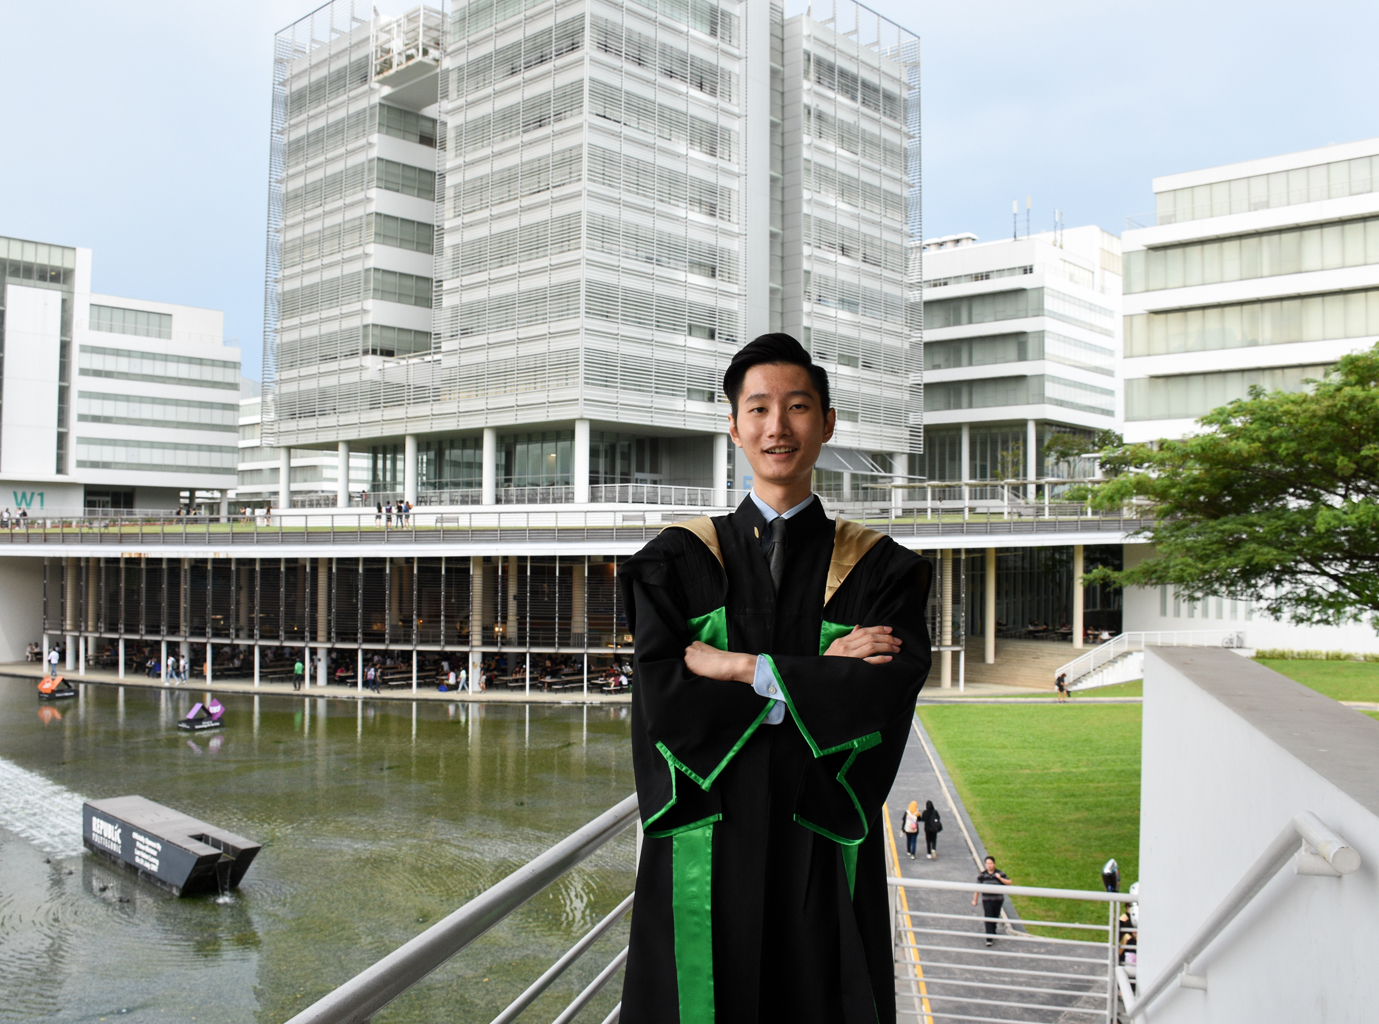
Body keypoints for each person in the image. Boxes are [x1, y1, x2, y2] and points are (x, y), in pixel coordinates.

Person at [619, 332, 934, 1024]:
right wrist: (814, 680)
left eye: (796, 407)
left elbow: (880, 696)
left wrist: (743, 669)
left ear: (825, 423)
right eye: (758, 408)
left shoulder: (883, 570)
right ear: (733, 428)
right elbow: (665, 705)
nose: (776, 426)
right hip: (710, 843)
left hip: (818, 841)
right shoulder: (673, 562)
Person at [973, 856, 1013, 946]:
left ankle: (993, 931)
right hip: (987, 900)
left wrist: (1000, 878)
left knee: (995, 916)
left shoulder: (1000, 873)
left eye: (991, 863)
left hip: (998, 900)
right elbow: (977, 888)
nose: (989, 865)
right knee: (988, 917)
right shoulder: (982, 875)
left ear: (994, 864)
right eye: (987, 863)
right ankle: (989, 938)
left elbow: (1009, 883)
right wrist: (974, 900)